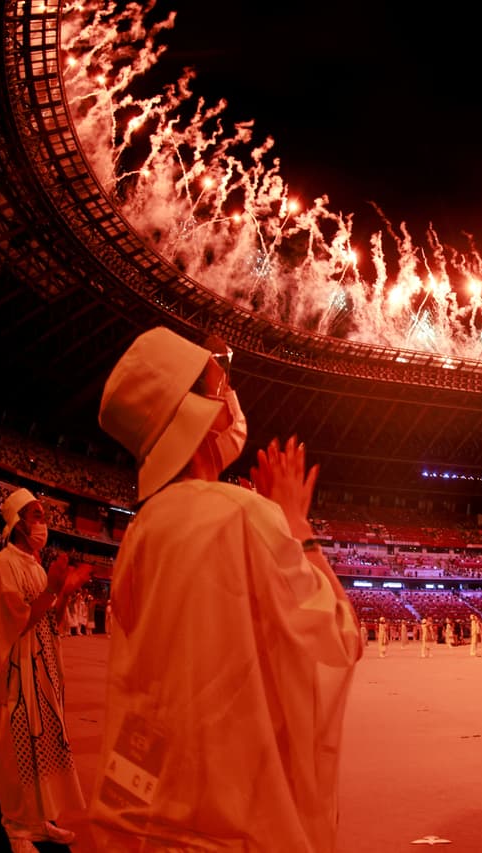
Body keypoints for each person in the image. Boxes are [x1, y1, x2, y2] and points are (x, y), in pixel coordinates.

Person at [90, 326, 362, 851]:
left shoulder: (141, 533)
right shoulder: (243, 514)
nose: (231, 399)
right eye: (220, 387)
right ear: (196, 411)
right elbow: (338, 640)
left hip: (147, 813)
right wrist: (296, 526)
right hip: (237, 819)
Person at [0, 487, 89, 852]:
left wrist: (66, 589)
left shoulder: (33, 564)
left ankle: (39, 821)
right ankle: (16, 826)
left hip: (40, 671)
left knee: (41, 747)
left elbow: (49, 620)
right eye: (37, 516)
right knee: (18, 753)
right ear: (19, 524)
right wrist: (55, 586)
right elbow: (21, 622)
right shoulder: (5, 563)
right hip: (16, 672)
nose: (44, 524)